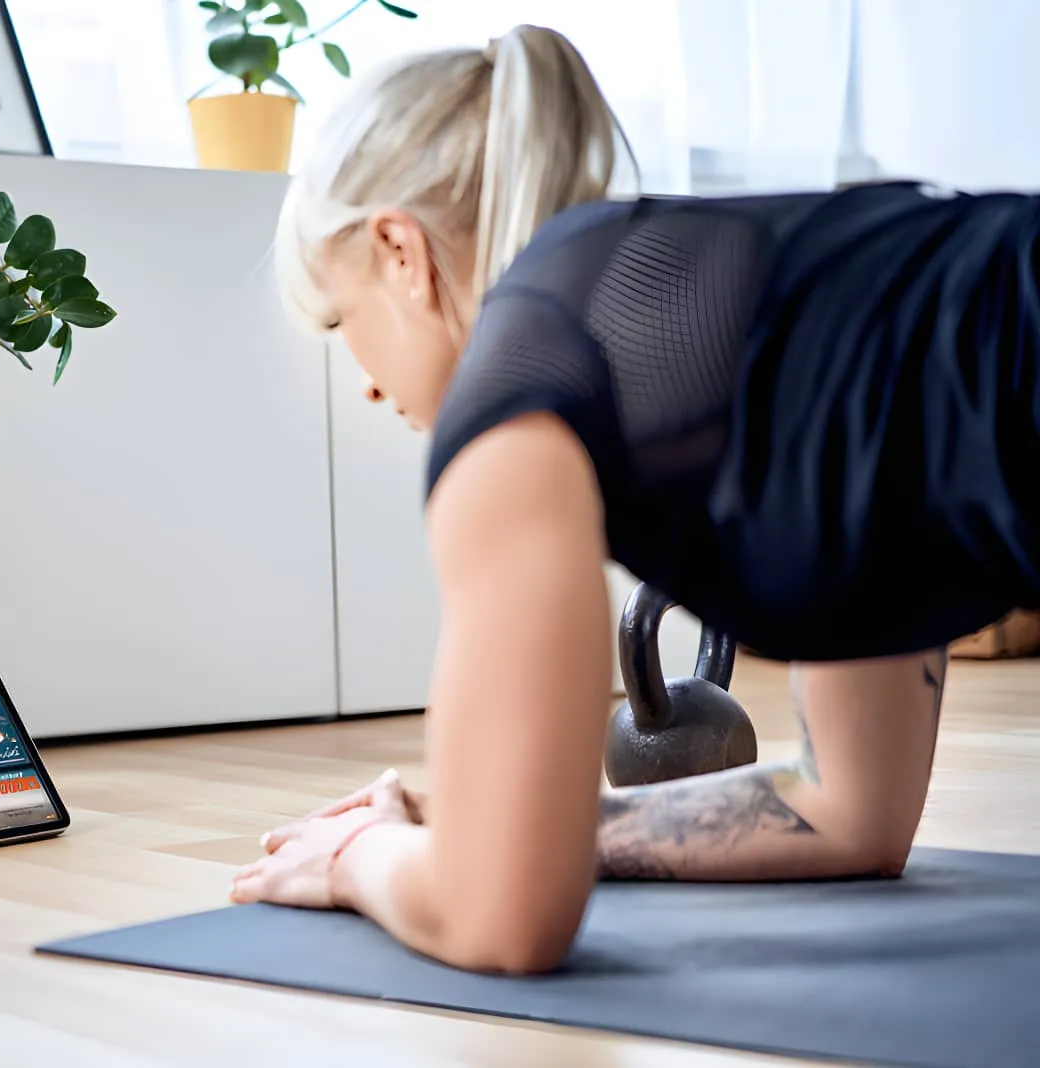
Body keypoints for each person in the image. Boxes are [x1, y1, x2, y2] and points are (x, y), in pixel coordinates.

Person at [230, 23, 1040, 975]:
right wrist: (502, 820)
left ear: (400, 251)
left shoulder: (513, 392)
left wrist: (359, 858)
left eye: (339, 318)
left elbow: (503, 921)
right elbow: (848, 815)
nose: (363, 381)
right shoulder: (798, 309)